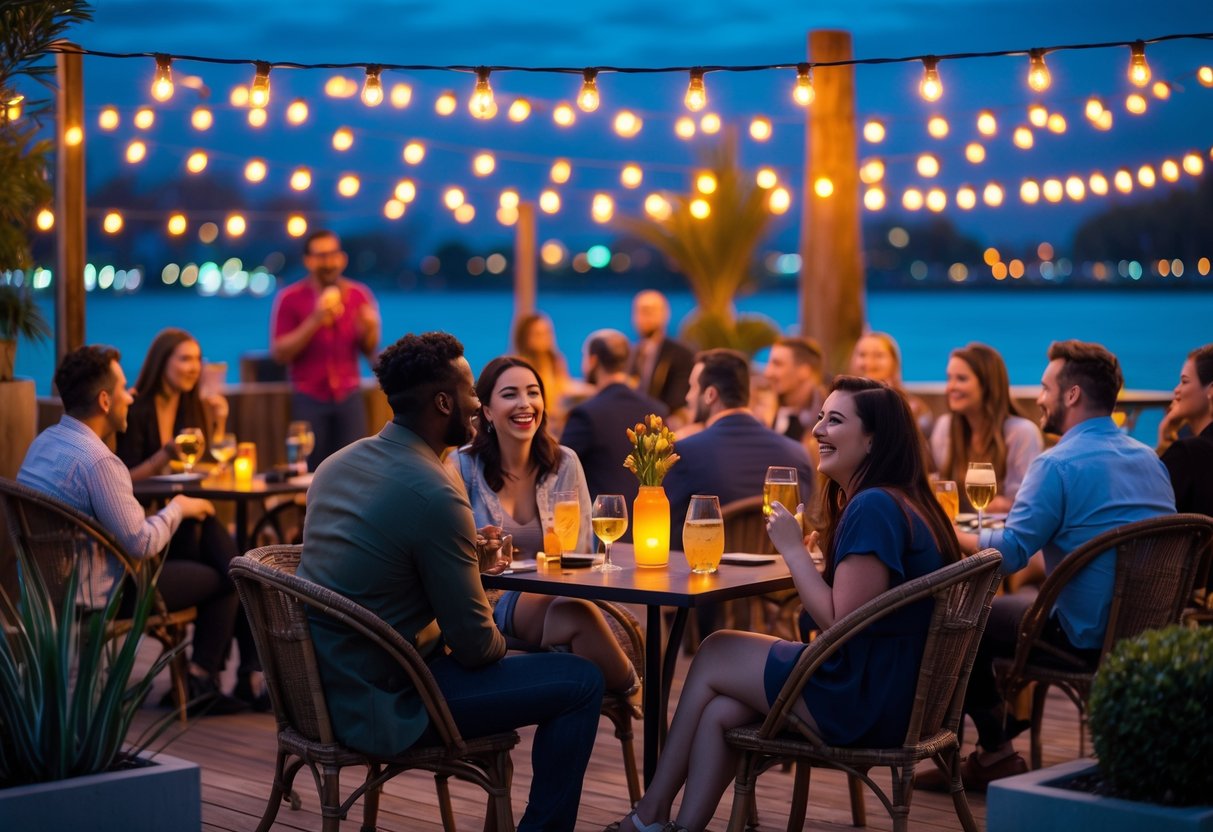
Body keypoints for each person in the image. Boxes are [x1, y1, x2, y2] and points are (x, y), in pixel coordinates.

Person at [605, 376, 962, 832]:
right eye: (820, 417)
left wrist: (794, 552)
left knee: (714, 649)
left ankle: (650, 812)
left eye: (835, 420)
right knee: (720, 712)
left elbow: (838, 620)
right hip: (901, 692)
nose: (817, 430)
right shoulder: (907, 501)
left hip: (865, 698)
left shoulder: (874, 507)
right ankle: (678, 825)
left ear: (873, 439)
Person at [296, 332, 603, 832]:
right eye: (471, 394)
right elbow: (478, 649)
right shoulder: (437, 492)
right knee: (579, 680)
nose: (479, 406)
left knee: (551, 662)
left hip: (317, 684)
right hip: (389, 699)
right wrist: (524, 644)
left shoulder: (337, 464)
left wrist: (463, 561)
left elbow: (382, 568)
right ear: (443, 402)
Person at [921, 340, 1176, 790]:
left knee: (959, 615)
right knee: (1004, 607)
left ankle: (993, 752)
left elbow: (1011, 553)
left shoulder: (1055, 463)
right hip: (1145, 629)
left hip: (1081, 635)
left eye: (1044, 388)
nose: (1038, 398)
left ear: (1071, 395)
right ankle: (995, 742)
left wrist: (948, 533)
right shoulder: (1149, 460)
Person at [18, 345, 245, 714]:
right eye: (124, 388)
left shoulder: (45, 443)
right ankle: (205, 680)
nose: (131, 395)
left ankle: (217, 672)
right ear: (105, 400)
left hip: (45, 589)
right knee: (226, 578)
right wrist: (178, 508)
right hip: (98, 595)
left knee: (212, 549)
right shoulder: (100, 462)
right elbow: (140, 543)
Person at [448, 355, 639, 698]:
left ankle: (605, 690)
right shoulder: (462, 465)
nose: (525, 404)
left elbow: (581, 552)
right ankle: (634, 693)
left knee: (582, 613)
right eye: (510, 394)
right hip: (488, 599)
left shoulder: (564, 462)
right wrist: (482, 549)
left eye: (533, 392)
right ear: (487, 411)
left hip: (559, 594)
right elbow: (452, 553)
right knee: (579, 615)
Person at [115, 328, 266, 711]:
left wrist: (218, 423)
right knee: (235, 571)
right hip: (155, 526)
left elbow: (206, 469)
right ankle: (241, 675)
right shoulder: (135, 408)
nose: (193, 367)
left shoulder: (193, 407)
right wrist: (164, 457)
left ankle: (213, 676)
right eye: (183, 358)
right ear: (161, 361)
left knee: (232, 568)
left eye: (197, 359)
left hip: (187, 522)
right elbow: (124, 479)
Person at [663, 349, 815, 552]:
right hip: (780, 580)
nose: (688, 397)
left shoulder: (684, 453)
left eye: (692, 388)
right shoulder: (797, 454)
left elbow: (668, 539)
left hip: (709, 577)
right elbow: (807, 528)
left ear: (710, 395)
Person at [270, 229, 380, 469]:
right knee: (309, 471)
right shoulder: (290, 298)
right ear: (308, 261)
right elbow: (280, 352)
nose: (328, 262)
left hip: (349, 395)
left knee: (354, 469)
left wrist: (371, 329)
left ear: (342, 258)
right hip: (308, 397)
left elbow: (370, 351)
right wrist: (315, 320)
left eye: (332, 254)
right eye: (321, 256)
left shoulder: (358, 295)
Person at [561, 328, 669, 513]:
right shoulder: (657, 411)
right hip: (649, 522)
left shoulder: (586, 414)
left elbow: (558, 469)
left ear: (593, 361)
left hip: (604, 527)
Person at [929, 342, 1044, 513]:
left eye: (961, 379)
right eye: (949, 378)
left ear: (988, 385)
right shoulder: (944, 427)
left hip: (999, 534)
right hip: (956, 532)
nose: (950, 387)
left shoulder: (1022, 432)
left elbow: (1025, 505)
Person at [1158, 344, 1213, 586]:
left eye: (1184, 381)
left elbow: (1148, 523)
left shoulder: (1189, 453)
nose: (1176, 390)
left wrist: (1165, 441)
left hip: (1184, 591)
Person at [630, 289, 696, 421]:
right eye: (640, 311)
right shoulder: (632, 353)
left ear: (665, 314)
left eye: (651, 310)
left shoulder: (681, 354)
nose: (645, 316)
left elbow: (677, 401)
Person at [511, 311, 580, 433]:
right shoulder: (519, 365)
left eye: (547, 333)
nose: (544, 338)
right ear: (525, 337)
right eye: (537, 334)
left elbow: (564, 386)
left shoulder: (556, 361)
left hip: (554, 421)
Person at [850, 331, 933, 433]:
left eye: (878, 355)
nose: (869, 362)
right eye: (862, 355)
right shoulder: (842, 404)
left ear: (894, 361)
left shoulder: (913, 409)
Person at [763, 335, 828, 460]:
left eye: (777, 364)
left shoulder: (828, 422)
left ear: (804, 371)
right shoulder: (764, 415)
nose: (767, 373)